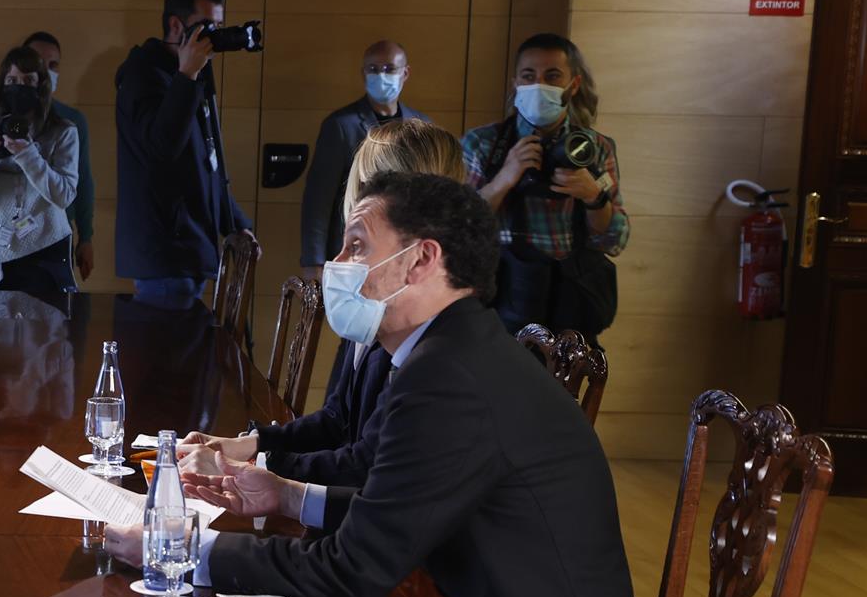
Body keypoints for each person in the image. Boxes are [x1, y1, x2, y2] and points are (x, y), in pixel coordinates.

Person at [115, 171, 663, 597]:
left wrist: (185, 548)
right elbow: (406, 515)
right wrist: (291, 498)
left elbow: (355, 567)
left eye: (356, 245)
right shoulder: (454, 350)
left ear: (421, 259)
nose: (336, 264)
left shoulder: (448, 375)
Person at [180, 119, 463, 487]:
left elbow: (366, 465)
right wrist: (248, 445)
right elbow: (336, 418)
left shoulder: (425, 318)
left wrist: (252, 468)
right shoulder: (374, 286)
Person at [461, 32, 627, 339]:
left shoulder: (595, 148)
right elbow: (457, 229)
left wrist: (593, 197)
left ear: (572, 85)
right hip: (498, 309)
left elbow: (615, 240)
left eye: (552, 76)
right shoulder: (482, 143)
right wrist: (505, 178)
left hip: (569, 311)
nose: (539, 85)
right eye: (528, 76)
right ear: (515, 84)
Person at [113, 0, 252, 307]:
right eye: (208, 26)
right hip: (165, 254)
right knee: (168, 354)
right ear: (176, 25)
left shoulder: (189, 75)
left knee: (182, 352)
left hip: (189, 249)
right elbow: (161, 149)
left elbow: (206, 161)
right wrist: (186, 76)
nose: (215, 36)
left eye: (218, 25)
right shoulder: (144, 75)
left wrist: (235, 224)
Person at [299, 40, 430, 275]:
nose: (381, 75)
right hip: (353, 252)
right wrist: (314, 262)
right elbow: (318, 200)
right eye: (373, 69)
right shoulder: (340, 126)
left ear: (405, 72)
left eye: (389, 69)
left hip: (405, 251)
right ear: (363, 73)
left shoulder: (421, 126)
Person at [0, 46, 79, 296]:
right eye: (12, 80)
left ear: (41, 87)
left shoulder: (62, 132)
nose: (19, 87)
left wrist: (28, 154)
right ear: (1, 86)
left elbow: (65, 195)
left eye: (28, 81)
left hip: (46, 248)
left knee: (47, 333)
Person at [21, 31, 97, 283]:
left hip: (58, 233)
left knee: (55, 318)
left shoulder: (72, 121)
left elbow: (83, 181)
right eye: (39, 64)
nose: (46, 72)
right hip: (10, 235)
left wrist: (86, 237)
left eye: (53, 65)